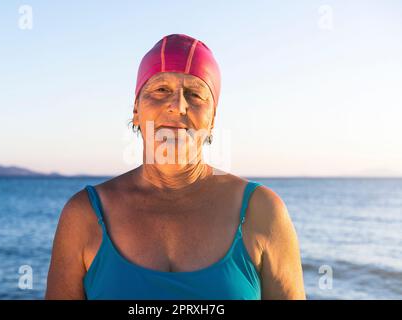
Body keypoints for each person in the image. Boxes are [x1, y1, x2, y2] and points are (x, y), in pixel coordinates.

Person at [45, 34, 305, 300]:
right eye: (160, 90)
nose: (177, 106)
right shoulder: (84, 214)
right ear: (136, 109)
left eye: (195, 94)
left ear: (212, 118)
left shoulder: (261, 211)